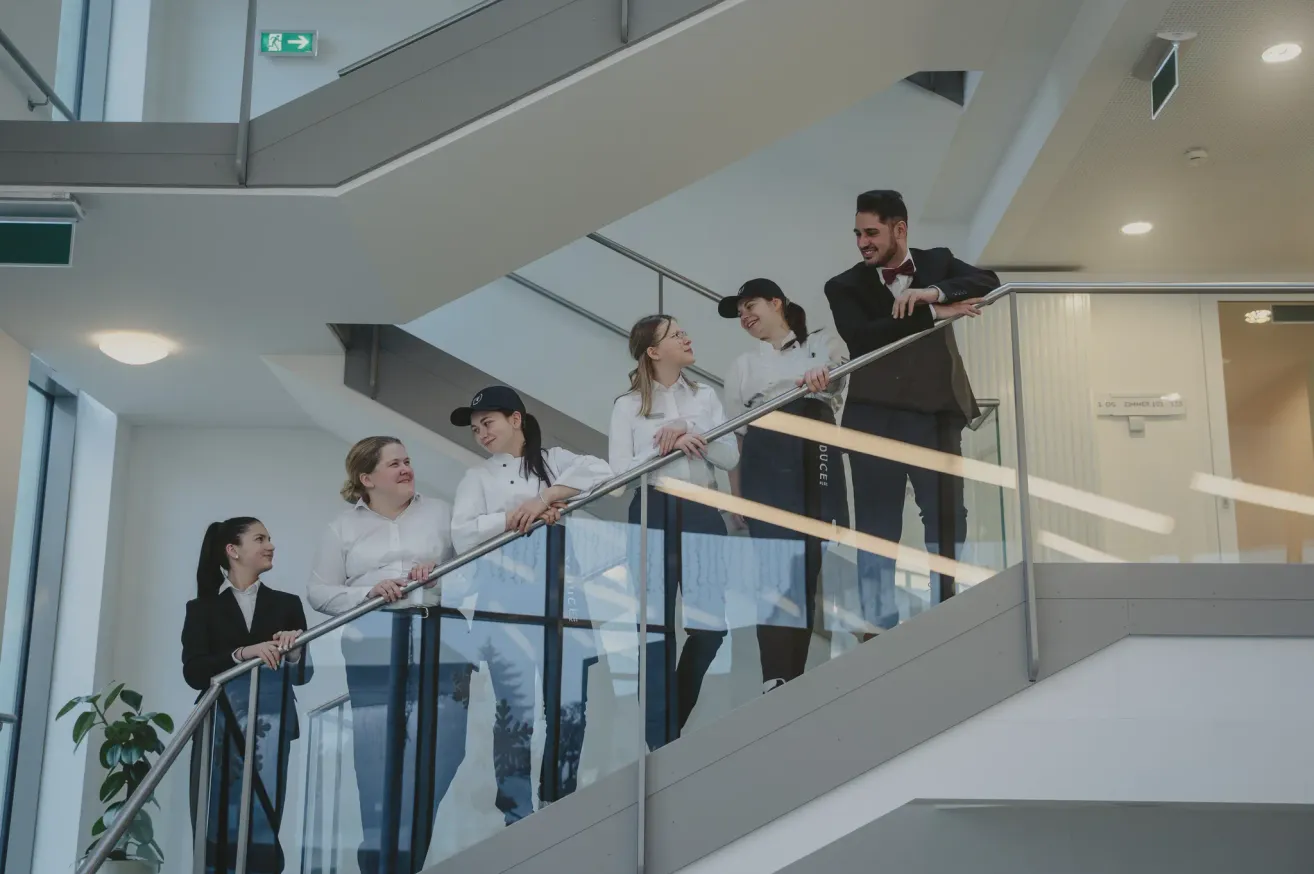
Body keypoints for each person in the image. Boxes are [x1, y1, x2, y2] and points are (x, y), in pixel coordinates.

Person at [414, 385, 612, 831]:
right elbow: (463, 536)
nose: (481, 433)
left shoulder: (555, 461)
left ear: (516, 420)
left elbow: (603, 471)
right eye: (476, 428)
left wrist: (542, 499)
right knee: (515, 714)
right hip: (503, 598)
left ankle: (559, 801)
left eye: (488, 422)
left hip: (564, 592)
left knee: (571, 709)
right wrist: (513, 518)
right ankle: (518, 816)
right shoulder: (477, 478)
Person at [824, 189, 998, 636]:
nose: (862, 242)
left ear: (900, 229)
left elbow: (988, 280)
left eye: (872, 232)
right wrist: (936, 312)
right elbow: (864, 338)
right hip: (873, 418)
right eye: (858, 234)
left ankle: (944, 605)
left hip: (934, 415)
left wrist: (932, 290)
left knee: (946, 514)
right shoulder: (842, 286)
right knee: (877, 522)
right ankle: (877, 624)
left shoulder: (937, 260)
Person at [307, 438, 454, 874]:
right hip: (371, 636)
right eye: (395, 464)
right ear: (367, 478)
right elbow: (318, 591)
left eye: (408, 460)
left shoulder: (441, 512)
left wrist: (439, 576)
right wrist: (366, 592)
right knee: (376, 755)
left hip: (436, 633)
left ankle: (408, 855)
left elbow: (478, 568)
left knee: (444, 748)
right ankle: (381, 861)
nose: (407, 468)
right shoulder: (341, 528)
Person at [609, 315, 739, 751]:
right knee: (657, 629)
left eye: (684, 330)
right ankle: (661, 747)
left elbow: (728, 457)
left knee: (710, 630)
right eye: (675, 334)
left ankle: (666, 734)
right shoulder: (627, 405)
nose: (687, 336)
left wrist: (689, 428)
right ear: (652, 351)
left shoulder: (705, 396)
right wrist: (662, 446)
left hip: (702, 508)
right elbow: (618, 475)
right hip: (652, 507)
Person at [720, 279, 850, 691]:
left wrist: (824, 375)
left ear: (776, 303)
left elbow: (842, 377)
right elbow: (734, 437)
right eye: (740, 312)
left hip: (816, 450)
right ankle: (774, 677)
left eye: (750, 305)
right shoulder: (743, 365)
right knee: (776, 568)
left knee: (807, 567)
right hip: (766, 454)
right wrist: (737, 498)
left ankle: (793, 678)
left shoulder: (823, 343)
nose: (744, 317)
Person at [183, 517, 312, 874]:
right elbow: (194, 672)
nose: (270, 545)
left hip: (271, 723)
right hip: (219, 727)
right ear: (233, 550)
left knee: (264, 815)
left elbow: (303, 676)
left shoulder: (287, 604)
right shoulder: (202, 609)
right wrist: (243, 653)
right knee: (215, 818)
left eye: (269, 538)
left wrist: (295, 651)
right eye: (260, 539)